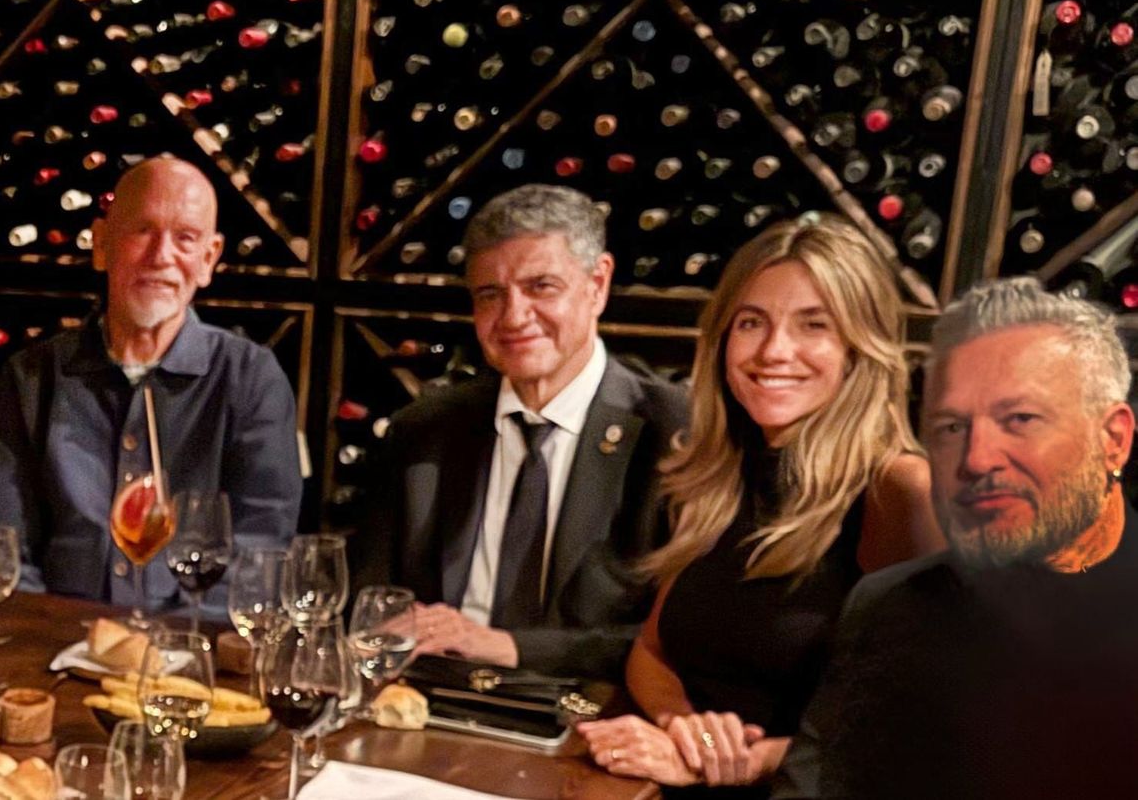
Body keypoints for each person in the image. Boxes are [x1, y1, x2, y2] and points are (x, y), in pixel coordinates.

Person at [577, 211, 943, 794]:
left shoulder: (898, 490)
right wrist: (685, 727)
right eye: (752, 323)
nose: (774, 350)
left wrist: (746, 761)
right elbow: (652, 650)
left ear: (858, 348)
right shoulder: (717, 475)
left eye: (813, 325)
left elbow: (921, 722)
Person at [774, 277, 1138, 799]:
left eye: (1020, 419)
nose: (976, 460)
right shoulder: (889, 605)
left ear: (1113, 440)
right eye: (951, 427)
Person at [350, 184, 688, 679]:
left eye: (541, 287)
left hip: (590, 709)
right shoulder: (423, 429)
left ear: (597, 285)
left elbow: (679, 639)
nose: (513, 317)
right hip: (429, 701)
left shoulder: (673, 434)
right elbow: (368, 607)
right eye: (490, 294)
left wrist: (506, 646)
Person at [0, 156, 302, 607]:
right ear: (102, 244)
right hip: (57, 641)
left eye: (186, 238)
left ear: (208, 258)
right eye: (142, 230)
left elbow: (258, 556)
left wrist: (166, 641)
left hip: (193, 644)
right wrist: (57, 635)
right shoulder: (28, 378)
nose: (161, 256)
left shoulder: (253, 380)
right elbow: (6, 551)